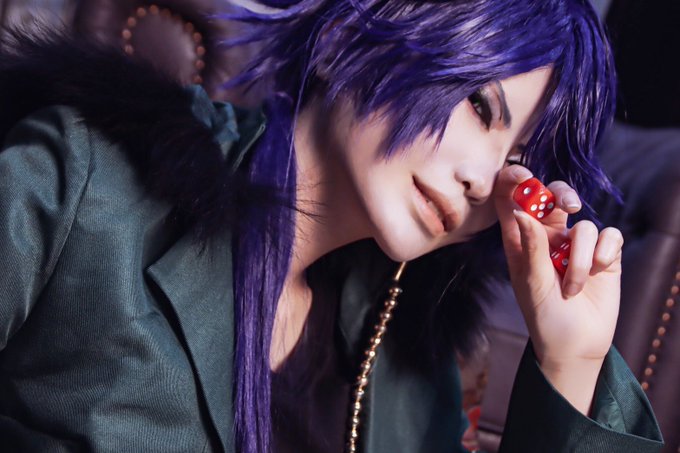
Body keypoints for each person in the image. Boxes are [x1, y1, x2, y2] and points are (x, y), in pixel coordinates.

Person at [0, 0, 664, 452]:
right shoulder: (86, 184)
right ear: (350, 32)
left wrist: (571, 361)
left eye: (518, 162)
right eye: (479, 104)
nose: (482, 176)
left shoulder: (413, 355)